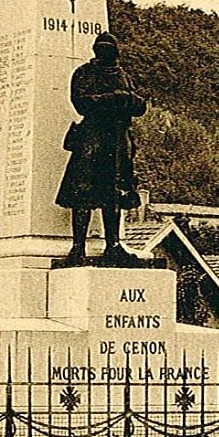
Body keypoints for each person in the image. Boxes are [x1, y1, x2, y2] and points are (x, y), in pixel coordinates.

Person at [56, 32, 147, 266]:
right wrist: (115, 98)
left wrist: (126, 98)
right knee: (82, 193)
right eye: (102, 48)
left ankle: (113, 245)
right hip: (93, 137)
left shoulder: (123, 75)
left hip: (117, 139)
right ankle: (78, 247)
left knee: (115, 194)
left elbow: (140, 105)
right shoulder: (84, 73)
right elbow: (81, 102)